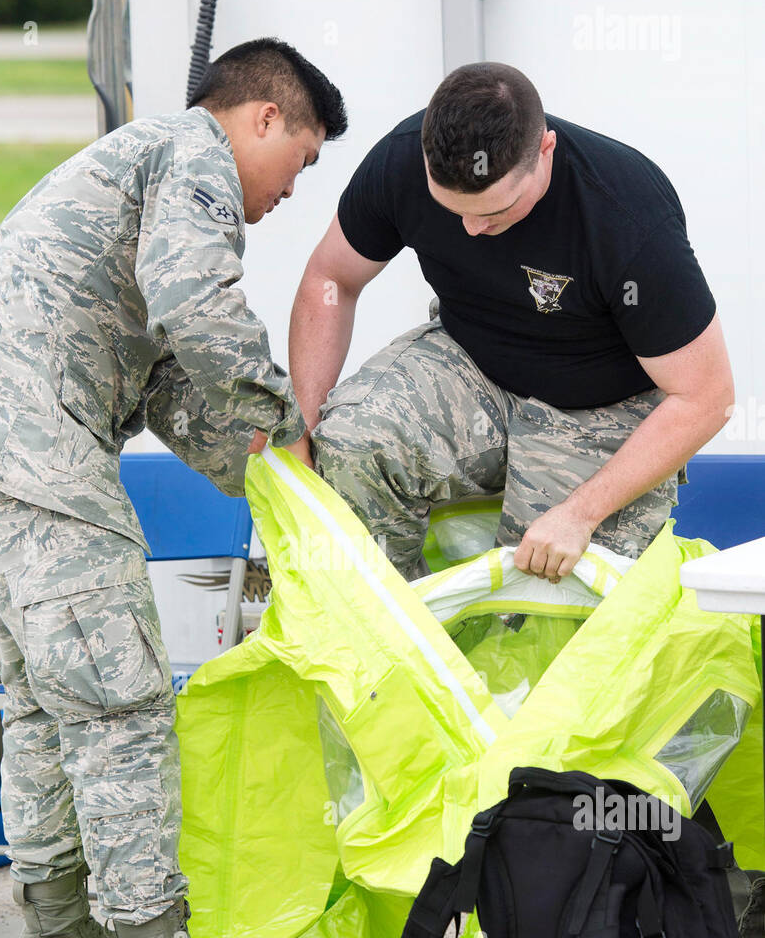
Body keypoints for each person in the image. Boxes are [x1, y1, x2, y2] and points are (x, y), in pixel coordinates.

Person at [0, 37, 347, 938]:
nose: (290, 193)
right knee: (123, 703)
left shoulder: (133, 176)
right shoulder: (193, 154)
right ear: (263, 119)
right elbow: (199, 303)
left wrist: (269, 475)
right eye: (303, 160)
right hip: (33, 453)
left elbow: (169, 390)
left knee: (51, 701)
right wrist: (281, 421)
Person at [288, 62, 734, 582]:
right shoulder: (403, 159)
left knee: (544, 590)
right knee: (350, 445)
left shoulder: (626, 217)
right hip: (472, 362)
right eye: (453, 212)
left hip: (601, 407)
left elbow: (707, 396)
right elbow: (332, 279)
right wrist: (303, 423)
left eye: (495, 212)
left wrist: (581, 513)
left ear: (545, 151)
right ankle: (400, 637)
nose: (473, 230)